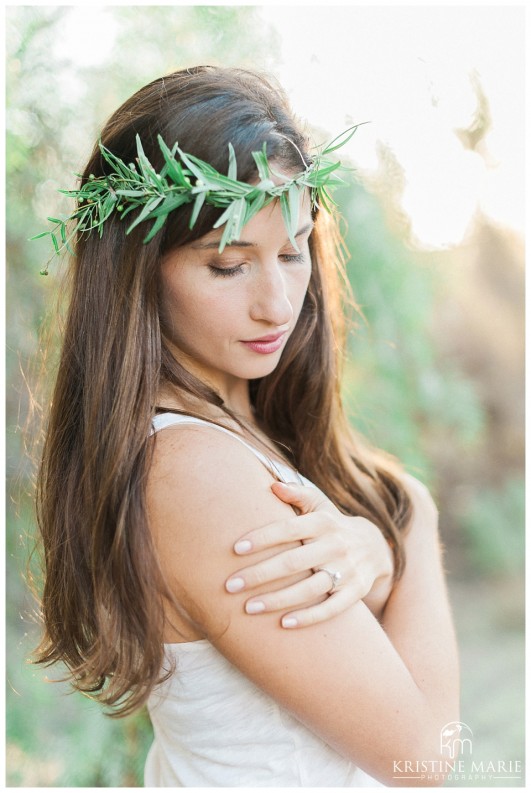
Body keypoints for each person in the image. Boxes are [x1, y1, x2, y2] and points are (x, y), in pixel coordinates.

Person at [33, 65, 459, 787]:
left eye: (294, 251)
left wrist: (376, 555)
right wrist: (410, 516)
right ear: (138, 271)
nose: (278, 302)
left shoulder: (239, 427)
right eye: (228, 265)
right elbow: (422, 754)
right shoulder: (194, 472)